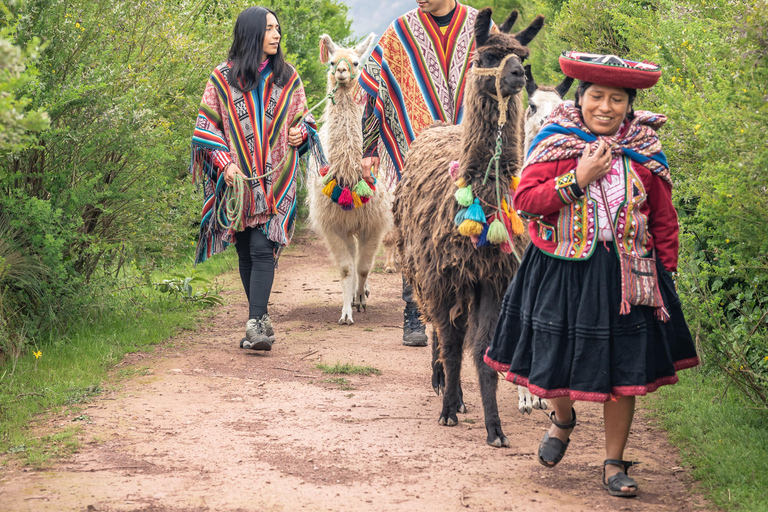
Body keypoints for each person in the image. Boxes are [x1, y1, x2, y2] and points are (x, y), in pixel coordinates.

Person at [484, 52, 700, 497]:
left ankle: (614, 462)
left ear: (629, 105)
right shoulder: (557, 140)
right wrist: (578, 178)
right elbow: (526, 200)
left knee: (624, 369)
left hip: (628, 273)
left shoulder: (643, 150)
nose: (605, 106)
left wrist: (666, 272)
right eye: (597, 96)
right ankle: (562, 418)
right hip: (560, 268)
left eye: (617, 99)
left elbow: (662, 216)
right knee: (550, 355)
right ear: (580, 99)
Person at [359, 0, 486, 346]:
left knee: (472, 228)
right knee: (415, 232)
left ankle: (473, 315)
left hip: (471, 150)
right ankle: (413, 312)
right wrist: (370, 149)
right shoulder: (400, 32)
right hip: (419, 158)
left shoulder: (479, 25)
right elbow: (376, 93)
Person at [190, 6, 316, 351]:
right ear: (251, 33)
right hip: (239, 181)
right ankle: (258, 319)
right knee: (245, 249)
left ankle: (256, 322)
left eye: (278, 29)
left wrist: (299, 135)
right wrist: (225, 163)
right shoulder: (222, 78)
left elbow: (305, 121)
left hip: (277, 177)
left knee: (263, 247)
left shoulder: (287, 77)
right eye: (270, 29)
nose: (276, 35)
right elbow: (206, 128)